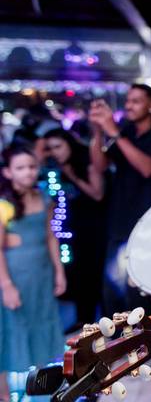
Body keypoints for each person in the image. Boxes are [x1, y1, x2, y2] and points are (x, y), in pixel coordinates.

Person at [88, 84, 151, 317]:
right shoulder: (126, 130)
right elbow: (100, 165)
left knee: (141, 293)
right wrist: (98, 132)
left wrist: (114, 133)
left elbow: (148, 168)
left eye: (136, 101)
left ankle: (147, 338)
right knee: (113, 292)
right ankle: (119, 337)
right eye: (127, 101)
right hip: (120, 220)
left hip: (150, 224)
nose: (128, 106)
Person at [0, 146, 66, 401]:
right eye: (20, 168)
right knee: (10, 330)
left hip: (41, 273)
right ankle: (4, 394)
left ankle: (42, 387)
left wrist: (59, 271)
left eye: (31, 166)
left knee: (42, 323)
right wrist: (7, 286)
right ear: (8, 172)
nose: (27, 172)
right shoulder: (4, 204)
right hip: (15, 274)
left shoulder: (44, 198)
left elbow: (51, 236)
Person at [43, 128, 106, 328]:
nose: (55, 152)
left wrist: (73, 176)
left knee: (95, 274)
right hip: (71, 228)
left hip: (94, 227)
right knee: (78, 274)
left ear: (69, 144)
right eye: (50, 148)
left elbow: (97, 194)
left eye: (58, 146)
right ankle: (83, 321)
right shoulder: (56, 169)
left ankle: (106, 322)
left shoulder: (86, 161)